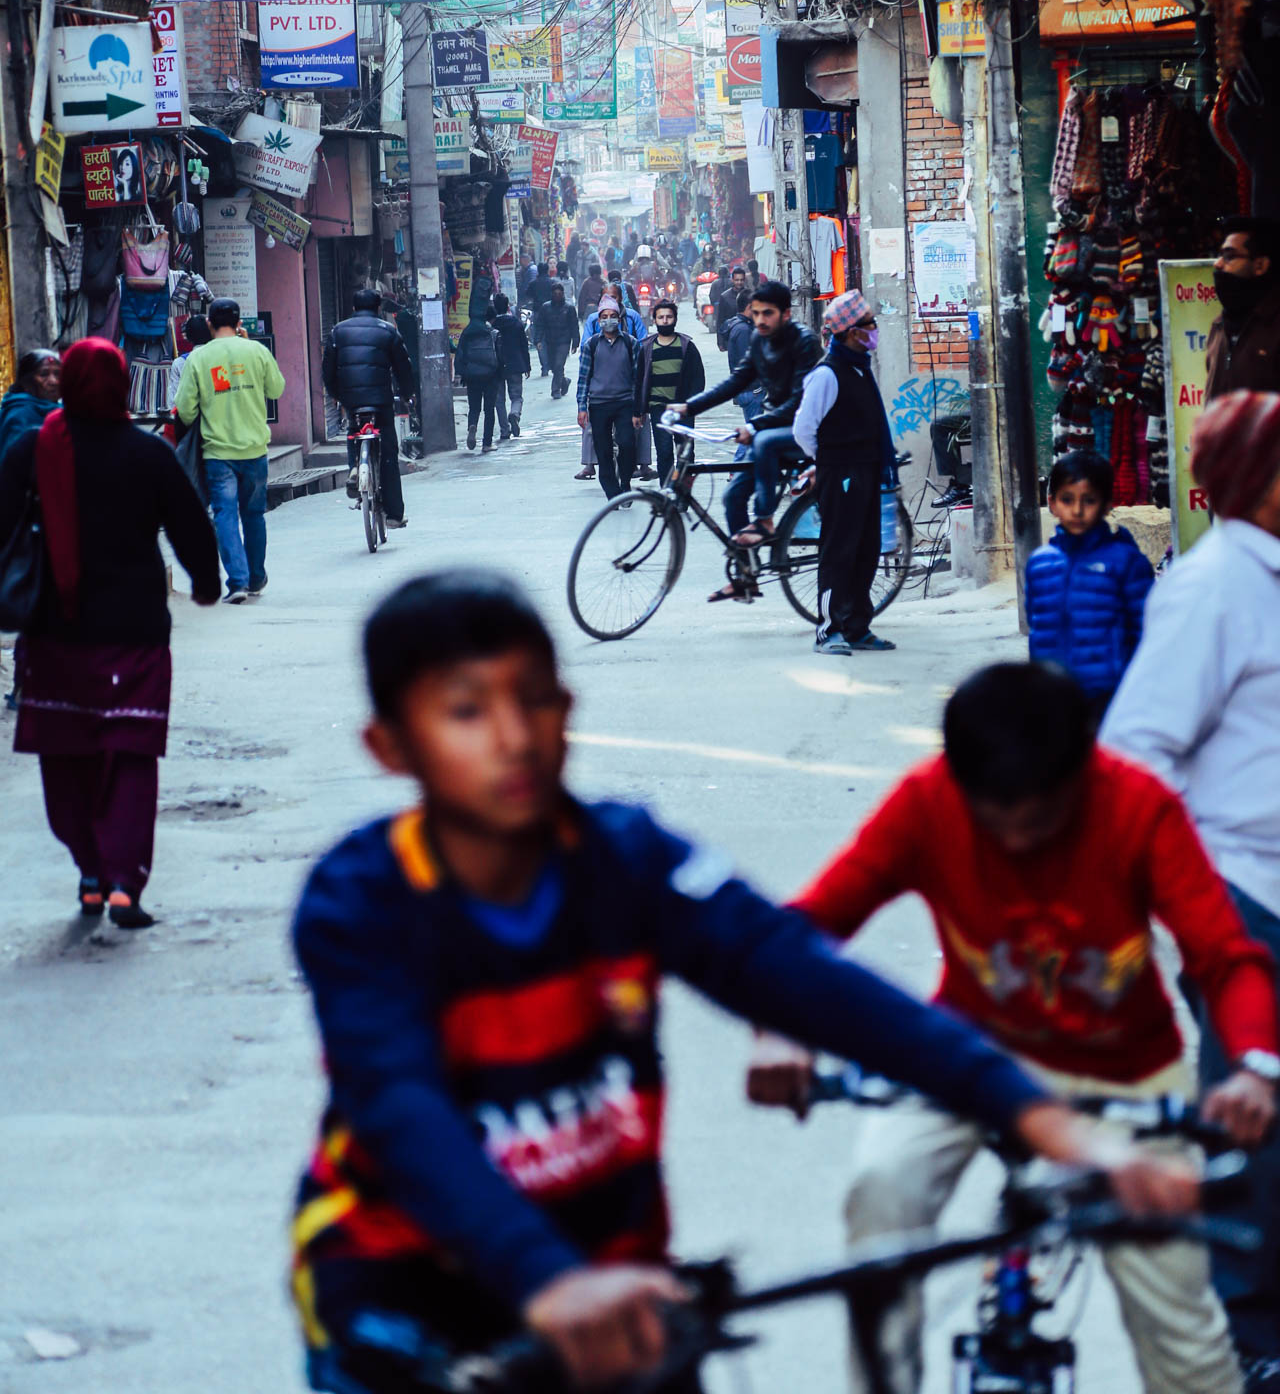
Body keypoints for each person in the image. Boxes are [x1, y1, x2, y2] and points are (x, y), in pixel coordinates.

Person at [290, 573, 1203, 1394]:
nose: (515, 738)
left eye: (535, 700)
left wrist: (1045, 1119)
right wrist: (547, 1280)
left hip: (619, 1280)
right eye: (465, 712)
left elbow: (801, 974)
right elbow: (399, 1107)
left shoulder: (628, 857)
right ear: (390, 745)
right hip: (409, 1294)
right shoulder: (360, 902)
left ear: (569, 705)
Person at [749, 659, 1277, 1394]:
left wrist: (1255, 1067)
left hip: (1125, 1071)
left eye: (1039, 819)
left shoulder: (1138, 807)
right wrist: (780, 1028)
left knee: (1182, 1329)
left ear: (1083, 772)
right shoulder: (927, 801)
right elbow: (807, 927)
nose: (1019, 844)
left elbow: (1227, 957)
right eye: (993, 820)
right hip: (962, 1056)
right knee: (881, 1194)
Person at [1104, 390, 1280, 1380]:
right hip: (1238, 891)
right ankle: (1243, 1344)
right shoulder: (1213, 587)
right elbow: (1135, 753)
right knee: (1245, 1125)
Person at [0, 339, 220, 926]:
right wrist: (205, 581)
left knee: (65, 755)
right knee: (129, 755)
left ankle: (91, 871)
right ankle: (124, 881)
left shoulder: (30, 450)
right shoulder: (146, 454)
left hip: (54, 632)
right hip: (135, 633)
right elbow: (190, 524)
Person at [672, 280, 821, 568]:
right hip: (774, 426)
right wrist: (689, 406)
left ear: (786, 315)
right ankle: (747, 569)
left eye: (768, 314)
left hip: (806, 429)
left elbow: (801, 399)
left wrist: (755, 426)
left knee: (763, 441)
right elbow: (735, 382)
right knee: (732, 498)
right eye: (756, 313)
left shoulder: (804, 343)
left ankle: (764, 520)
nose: (761, 320)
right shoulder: (758, 340)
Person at [792, 291, 896, 655]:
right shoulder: (827, 374)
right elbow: (804, 430)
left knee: (866, 550)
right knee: (839, 551)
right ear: (852, 331)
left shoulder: (858, 366)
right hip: (841, 473)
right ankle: (829, 629)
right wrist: (830, 460)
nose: (874, 329)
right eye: (869, 323)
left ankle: (857, 626)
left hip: (866, 470)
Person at [1025, 451, 1154, 720]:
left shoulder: (1126, 562)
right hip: (1053, 695)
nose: (1077, 510)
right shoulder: (1039, 564)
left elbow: (1145, 631)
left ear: (1107, 504)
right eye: (1067, 499)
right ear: (1052, 503)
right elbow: (1036, 623)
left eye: (1089, 500)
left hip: (1110, 696)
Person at [174, 298, 285, 604]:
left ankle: (236, 582)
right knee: (253, 514)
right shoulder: (257, 351)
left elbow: (185, 410)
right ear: (239, 324)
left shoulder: (198, 358)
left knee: (225, 514)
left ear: (209, 324)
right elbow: (276, 389)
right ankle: (256, 577)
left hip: (218, 452)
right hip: (255, 449)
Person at [322, 289, 416, 528]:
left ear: (354, 308)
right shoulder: (387, 330)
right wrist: (407, 394)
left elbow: (328, 370)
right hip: (380, 400)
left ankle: (355, 467)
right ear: (377, 309)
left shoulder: (337, 331)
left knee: (355, 430)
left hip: (351, 400)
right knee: (388, 455)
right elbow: (403, 367)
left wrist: (337, 395)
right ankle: (394, 515)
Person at [1207, 217, 1280, 399]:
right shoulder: (1220, 326)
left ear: (1260, 265)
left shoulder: (1274, 326)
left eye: (1230, 256)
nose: (1218, 264)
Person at [633, 299, 705, 482]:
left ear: (675, 319)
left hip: (683, 409)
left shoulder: (687, 346)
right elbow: (639, 380)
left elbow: (698, 379)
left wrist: (691, 404)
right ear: (654, 319)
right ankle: (666, 494)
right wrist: (638, 411)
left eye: (669, 317)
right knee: (664, 452)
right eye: (661, 317)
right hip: (658, 408)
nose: (665, 320)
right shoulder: (647, 348)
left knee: (686, 454)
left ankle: (683, 493)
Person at [576, 298, 641, 499]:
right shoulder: (591, 344)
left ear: (619, 318)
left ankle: (626, 482)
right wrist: (582, 407)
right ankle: (613, 493)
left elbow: (637, 379)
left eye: (612, 316)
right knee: (603, 451)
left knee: (627, 444)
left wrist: (639, 408)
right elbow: (584, 378)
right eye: (604, 317)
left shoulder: (631, 344)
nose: (608, 320)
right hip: (598, 404)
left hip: (624, 403)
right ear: (599, 321)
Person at [0, 348, 61, 467]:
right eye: (44, 374)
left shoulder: (61, 410)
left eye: (57, 374)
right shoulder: (19, 415)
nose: (54, 381)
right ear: (26, 382)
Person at [454, 308, 504, 453]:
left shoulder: (467, 333)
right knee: (489, 409)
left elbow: (460, 355)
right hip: (491, 376)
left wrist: (461, 375)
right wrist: (500, 374)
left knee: (474, 408)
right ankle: (487, 443)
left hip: (472, 376)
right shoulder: (493, 333)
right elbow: (500, 356)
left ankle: (472, 425)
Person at [492, 294, 530, 438]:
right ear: (508, 305)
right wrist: (527, 366)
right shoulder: (516, 323)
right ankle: (514, 413)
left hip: (496, 367)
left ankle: (504, 430)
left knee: (499, 400)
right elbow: (523, 346)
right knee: (516, 397)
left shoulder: (492, 324)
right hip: (515, 364)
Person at [535, 282, 580, 400]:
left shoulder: (569, 308)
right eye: (555, 293)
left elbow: (574, 326)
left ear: (563, 294)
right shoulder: (545, 307)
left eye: (559, 293)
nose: (557, 296)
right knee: (554, 366)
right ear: (551, 294)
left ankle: (555, 390)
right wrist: (538, 340)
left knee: (559, 364)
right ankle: (564, 381)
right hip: (550, 341)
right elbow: (540, 325)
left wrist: (575, 342)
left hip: (564, 341)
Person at [166, 317, 211, 412]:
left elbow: (173, 401)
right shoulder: (220, 358)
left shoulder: (180, 363)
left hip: (189, 419)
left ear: (188, 337)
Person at [715, 266, 748, 350]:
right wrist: (720, 342)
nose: (739, 282)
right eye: (737, 280)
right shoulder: (725, 297)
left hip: (747, 336)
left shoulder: (750, 295)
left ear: (744, 280)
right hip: (731, 337)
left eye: (741, 280)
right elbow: (720, 320)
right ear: (732, 280)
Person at [576, 260, 605, 325]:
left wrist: (580, 313)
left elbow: (581, 298)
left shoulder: (586, 282)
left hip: (588, 309)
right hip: (601, 309)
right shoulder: (604, 283)